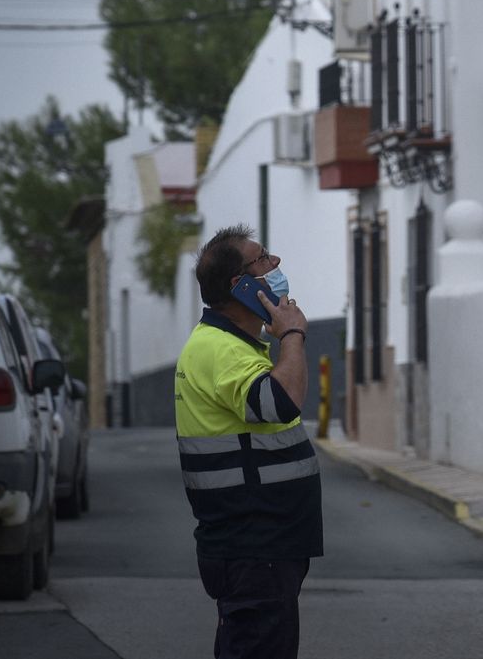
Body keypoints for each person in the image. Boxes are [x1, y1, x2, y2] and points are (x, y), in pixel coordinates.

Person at [174, 225, 320, 659]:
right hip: (253, 543)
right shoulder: (222, 349)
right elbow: (280, 402)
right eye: (264, 259)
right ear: (241, 285)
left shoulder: (234, 345)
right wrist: (292, 334)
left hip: (259, 543)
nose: (276, 263)